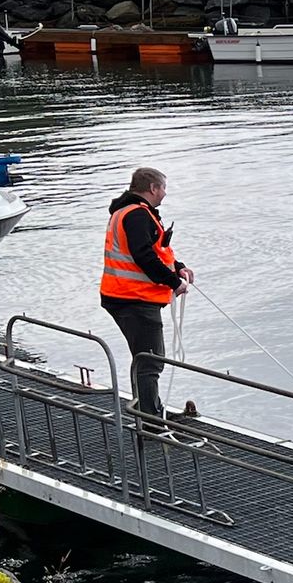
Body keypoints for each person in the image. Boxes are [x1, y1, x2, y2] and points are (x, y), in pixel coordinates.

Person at [99, 167, 194, 422]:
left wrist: (178, 266)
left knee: (144, 357)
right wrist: (174, 282)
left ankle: (148, 409)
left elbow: (156, 250)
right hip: (133, 299)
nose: (164, 193)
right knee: (150, 360)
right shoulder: (137, 215)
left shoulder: (129, 212)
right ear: (153, 188)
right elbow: (144, 256)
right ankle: (150, 420)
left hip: (123, 296)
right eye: (163, 188)